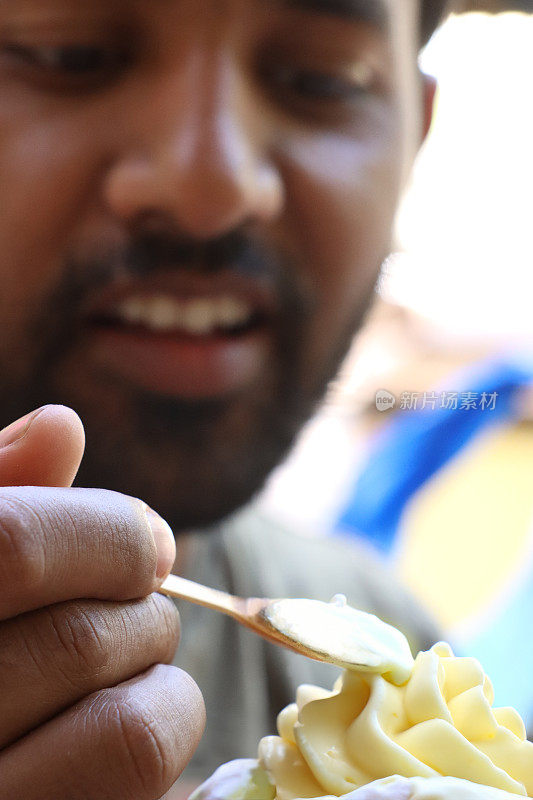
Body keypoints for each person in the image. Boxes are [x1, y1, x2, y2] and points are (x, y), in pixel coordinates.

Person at [0, 1, 448, 797]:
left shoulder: (400, 675)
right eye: (66, 56)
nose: (211, 187)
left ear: (414, 138)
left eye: (324, 78)